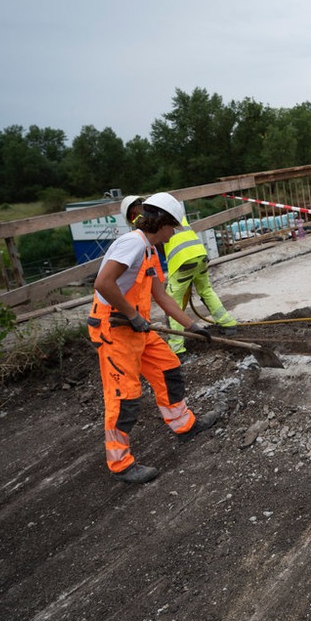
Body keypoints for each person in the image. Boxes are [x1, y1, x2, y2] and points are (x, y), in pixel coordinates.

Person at [89, 198, 223, 484]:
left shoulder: (150, 250)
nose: (173, 233)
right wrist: (131, 315)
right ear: (160, 222)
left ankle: (184, 425)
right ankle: (121, 464)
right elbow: (103, 283)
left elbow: (160, 296)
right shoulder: (133, 244)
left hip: (135, 326)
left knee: (168, 368)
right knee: (124, 396)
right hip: (114, 329)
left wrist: (192, 325)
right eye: (172, 227)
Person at [135, 193, 238, 355]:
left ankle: (177, 348)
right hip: (200, 253)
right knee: (206, 290)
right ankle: (228, 323)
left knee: (172, 300)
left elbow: (161, 246)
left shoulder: (156, 222)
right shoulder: (175, 215)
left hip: (182, 260)